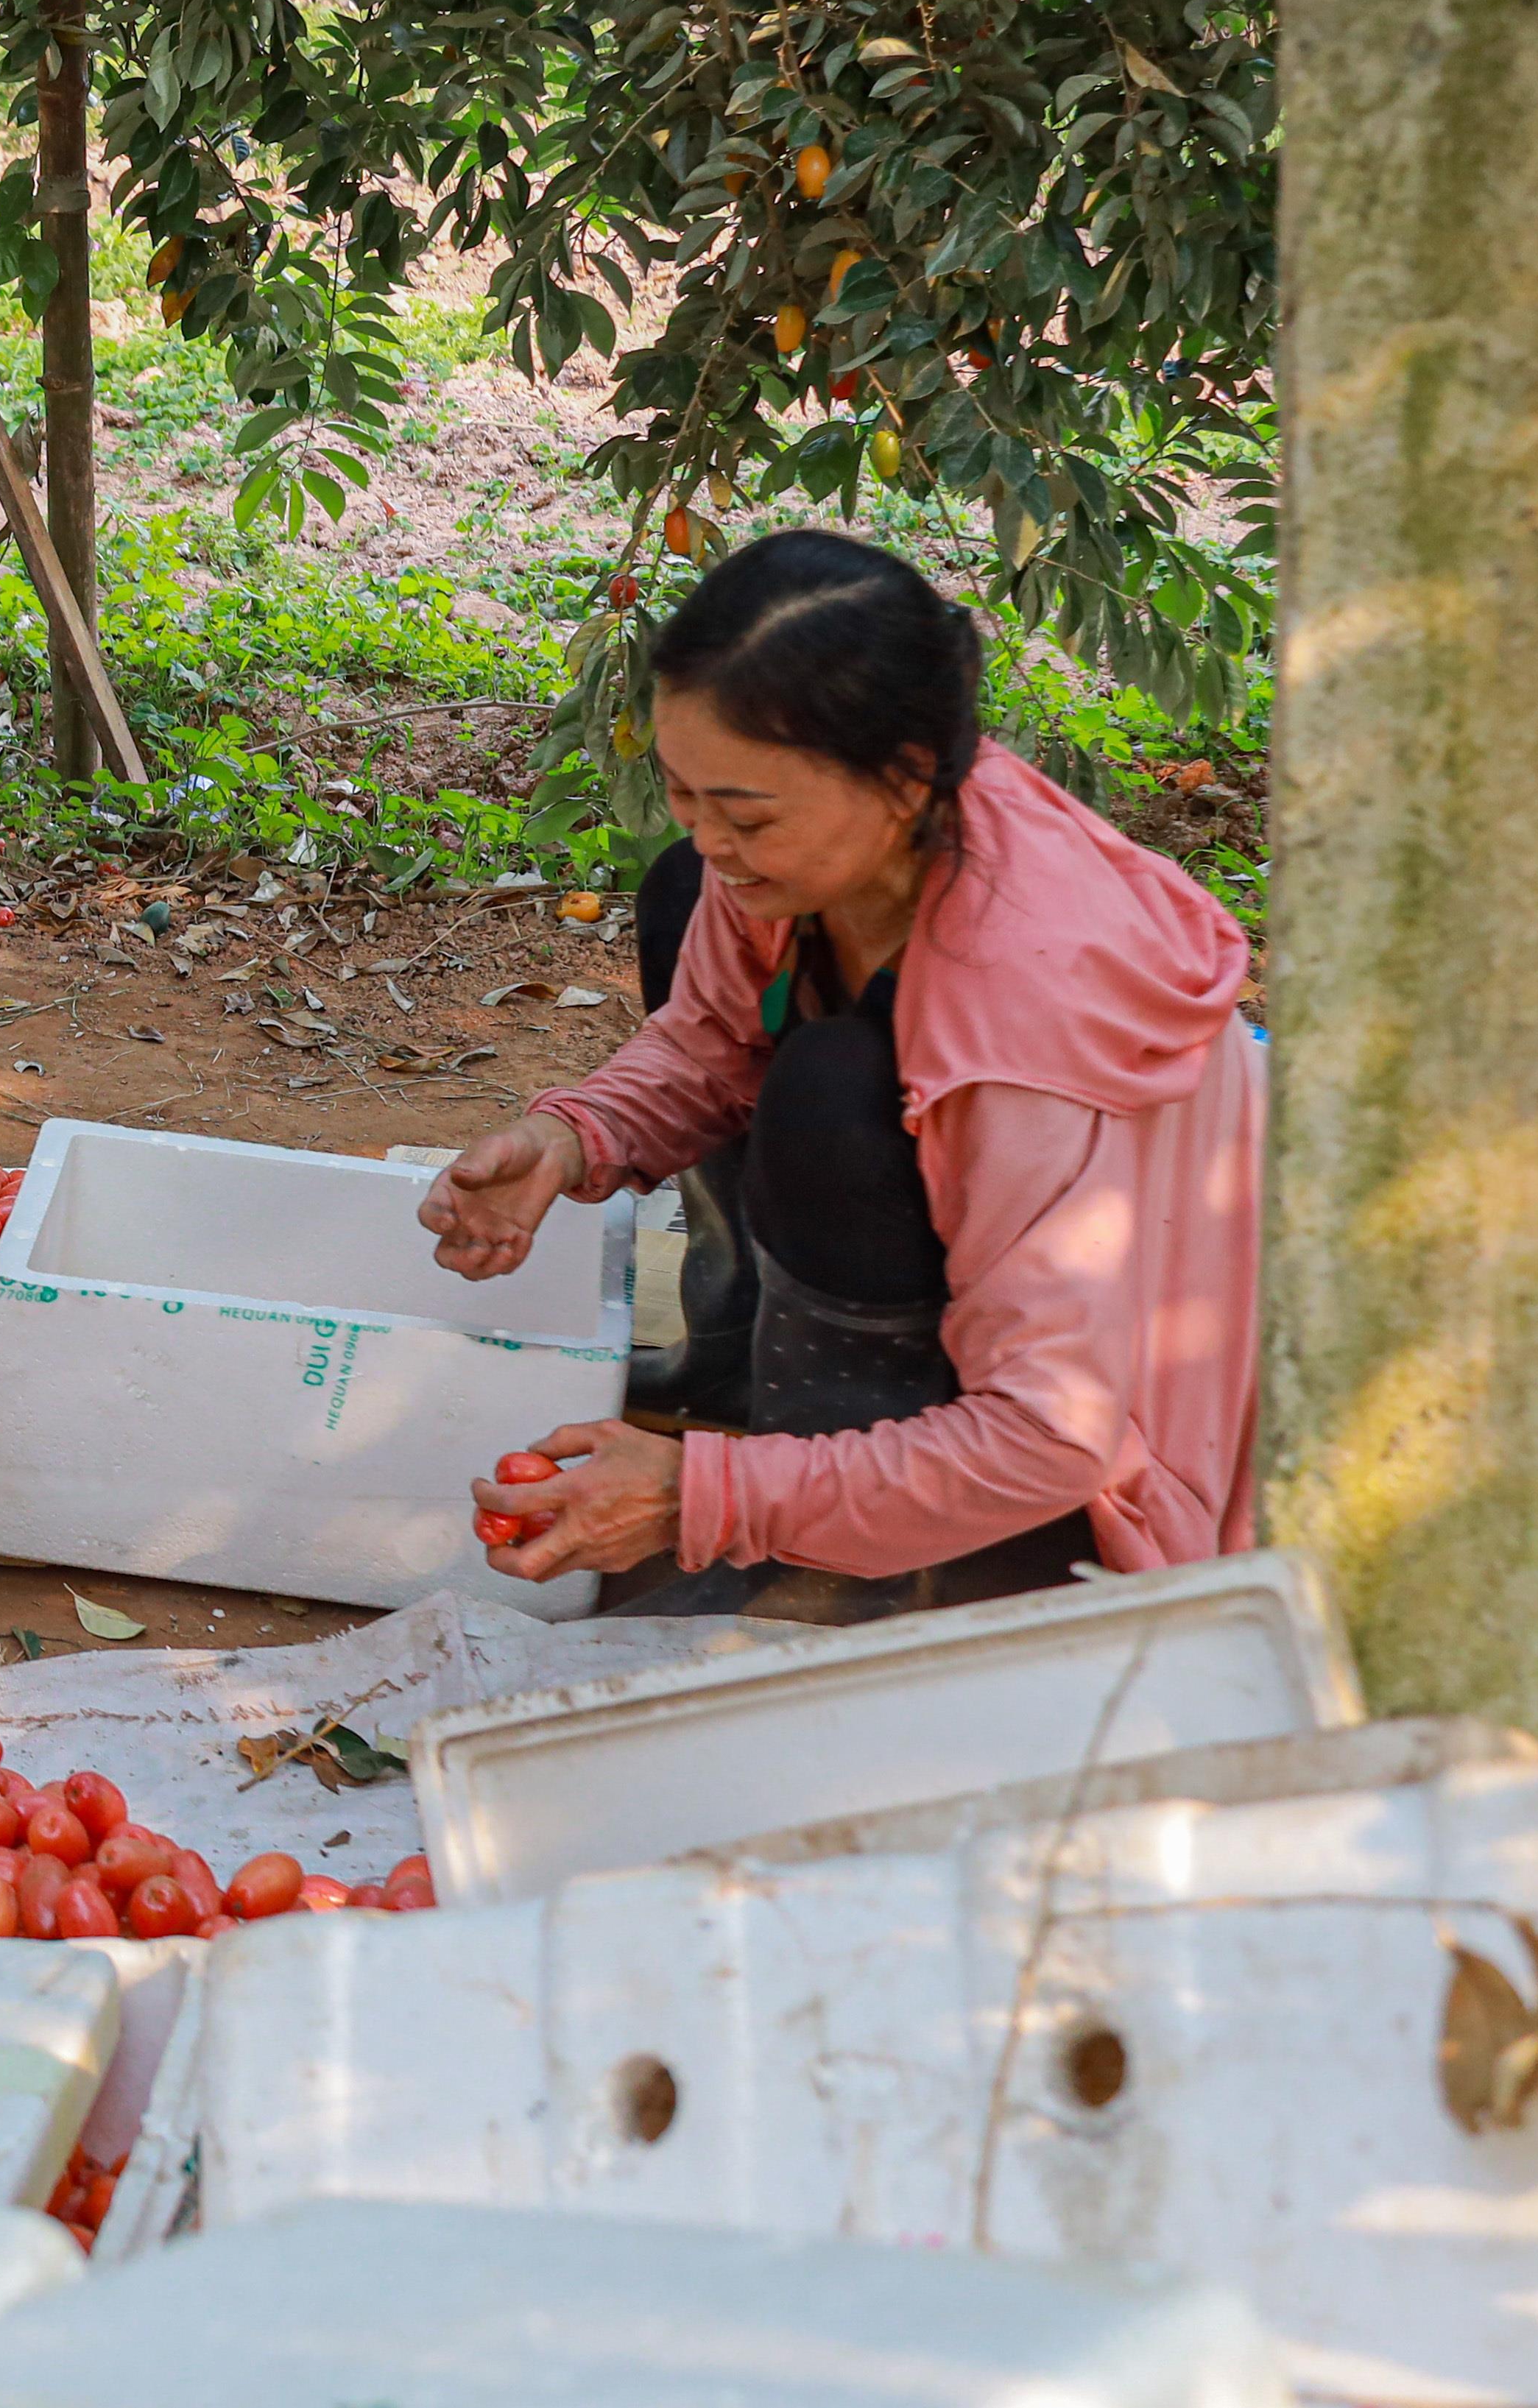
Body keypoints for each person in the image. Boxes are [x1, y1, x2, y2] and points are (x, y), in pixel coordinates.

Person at [416, 529, 1262, 1616]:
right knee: (682, 892)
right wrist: (575, 1134)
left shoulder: (1021, 1020)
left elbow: (1054, 1434)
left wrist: (702, 1498)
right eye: (682, 789)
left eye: (745, 813)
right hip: (978, 1276)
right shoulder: (814, 847)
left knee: (829, 1087)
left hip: (1092, 1444)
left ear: (903, 780)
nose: (709, 831)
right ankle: (756, 1387)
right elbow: (712, 1039)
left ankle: (866, 1542)